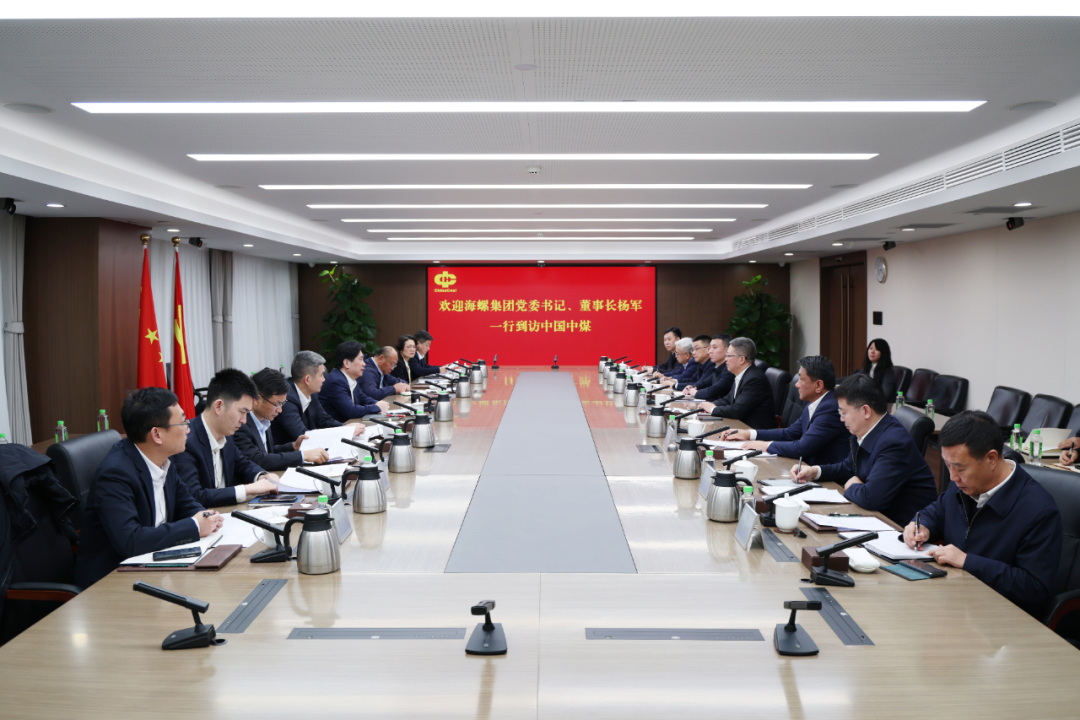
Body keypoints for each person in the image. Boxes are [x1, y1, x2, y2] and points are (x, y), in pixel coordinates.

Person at [904, 410, 1062, 616]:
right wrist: (921, 525)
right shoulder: (964, 485)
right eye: (948, 465)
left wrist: (968, 562)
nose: (952, 477)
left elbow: (1034, 589)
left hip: (999, 617)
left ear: (991, 459)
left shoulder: (1039, 510)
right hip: (953, 600)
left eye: (960, 468)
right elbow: (935, 512)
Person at [73, 387, 222, 588]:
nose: (188, 429)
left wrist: (205, 516)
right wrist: (195, 526)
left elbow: (185, 501)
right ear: (157, 434)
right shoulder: (116, 474)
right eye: (183, 422)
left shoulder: (163, 458)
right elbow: (130, 541)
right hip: (113, 582)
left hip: (154, 566)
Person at [793, 374, 937, 526]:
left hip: (904, 528)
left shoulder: (894, 443)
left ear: (866, 411)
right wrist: (815, 471)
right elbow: (848, 468)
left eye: (844, 413)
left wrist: (851, 486)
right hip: (876, 517)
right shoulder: (865, 430)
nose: (841, 419)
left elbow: (872, 498)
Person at [173, 368, 280, 508]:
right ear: (218, 406)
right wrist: (248, 489)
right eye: (242, 412)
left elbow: (242, 464)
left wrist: (262, 476)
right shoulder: (186, 441)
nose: (244, 420)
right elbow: (194, 495)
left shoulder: (226, 435)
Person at [721, 355, 850, 466]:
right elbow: (790, 433)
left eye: (801, 379)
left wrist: (765, 446)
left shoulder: (830, 408)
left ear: (818, 385)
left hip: (829, 479)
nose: (796, 385)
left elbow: (802, 448)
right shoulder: (816, 402)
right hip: (806, 468)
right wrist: (748, 434)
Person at [233, 367, 330, 471]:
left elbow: (268, 452)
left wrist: (293, 446)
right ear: (257, 399)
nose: (280, 410)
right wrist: (302, 455)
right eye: (277, 404)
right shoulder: (240, 424)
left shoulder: (264, 419)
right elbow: (257, 459)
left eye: (282, 404)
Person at [272, 350, 364, 445]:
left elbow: (324, 420)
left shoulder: (312, 393)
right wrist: (345, 432)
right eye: (321, 375)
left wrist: (345, 428)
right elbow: (303, 436)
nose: (324, 379)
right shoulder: (286, 400)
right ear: (307, 379)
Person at [700, 337, 775, 429]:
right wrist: (708, 406)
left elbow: (736, 410)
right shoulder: (743, 374)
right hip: (740, 426)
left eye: (728, 356)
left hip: (754, 431)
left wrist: (712, 409)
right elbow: (727, 400)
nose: (726, 359)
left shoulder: (754, 379)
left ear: (741, 359)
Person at [321, 341, 391, 422]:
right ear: (347, 363)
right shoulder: (336, 381)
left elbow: (362, 398)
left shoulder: (350, 378)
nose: (364, 364)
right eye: (360, 359)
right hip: (337, 426)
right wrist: (377, 407)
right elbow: (350, 411)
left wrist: (378, 403)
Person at [684, 334, 734, 402]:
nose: (710, 351)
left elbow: (714, 390)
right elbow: (704, 383)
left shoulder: (730, 369)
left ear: (727, 350)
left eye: (714, 347)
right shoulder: (718, 368)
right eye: (710, 348)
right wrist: (692, 387)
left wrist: (695, 392)